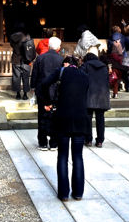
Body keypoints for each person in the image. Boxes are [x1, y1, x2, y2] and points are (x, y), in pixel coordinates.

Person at [39, 56, 90, 202]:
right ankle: (78, 192)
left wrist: (47, 102)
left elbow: (44, 84)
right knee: (78, 156)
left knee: (62, 155)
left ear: (66, 65)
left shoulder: (61, 72)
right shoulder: (85, 76)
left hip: (62, 117)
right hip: (80, 117)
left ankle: (63, 193)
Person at [31, 36, 64, 150]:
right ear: (58, 47)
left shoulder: (40, 58)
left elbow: (35, 73)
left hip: (42, 91)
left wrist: (33, 86)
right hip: (56, 91)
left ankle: (43, 142)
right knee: (55, 117)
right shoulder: (61, 59)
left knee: (42, 116)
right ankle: (54, 143)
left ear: (49, 46)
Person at [81, 50, 110, 148]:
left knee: (88, 119)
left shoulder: (85, 66)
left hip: (89, 95)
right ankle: (100, 141)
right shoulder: (104, 66)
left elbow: (82, 79)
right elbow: (107, 81)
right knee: (100, 119)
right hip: (101, 96)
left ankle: (88, 139)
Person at [9, 23, 31, 100]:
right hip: (26, 59)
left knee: (16, 77)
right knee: (26, 77)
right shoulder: (27, 36)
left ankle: (18, 94)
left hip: (16, 59)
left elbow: (12, 45)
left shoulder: (12, 37)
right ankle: (25, 94)